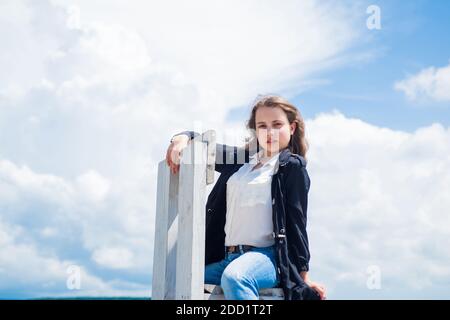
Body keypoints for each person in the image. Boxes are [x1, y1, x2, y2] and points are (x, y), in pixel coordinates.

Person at [166, 95, 326, 300]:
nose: (270, 132)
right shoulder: (240, 161)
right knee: (182, 279)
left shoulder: (291, 167)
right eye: (262, 126)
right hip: (228, 257)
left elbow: (297, 223)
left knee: (236, 278)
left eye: (277, 124)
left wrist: (303, 275)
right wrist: (181, 138)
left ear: (292, 128)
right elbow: (203, 145)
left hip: (268, 258)